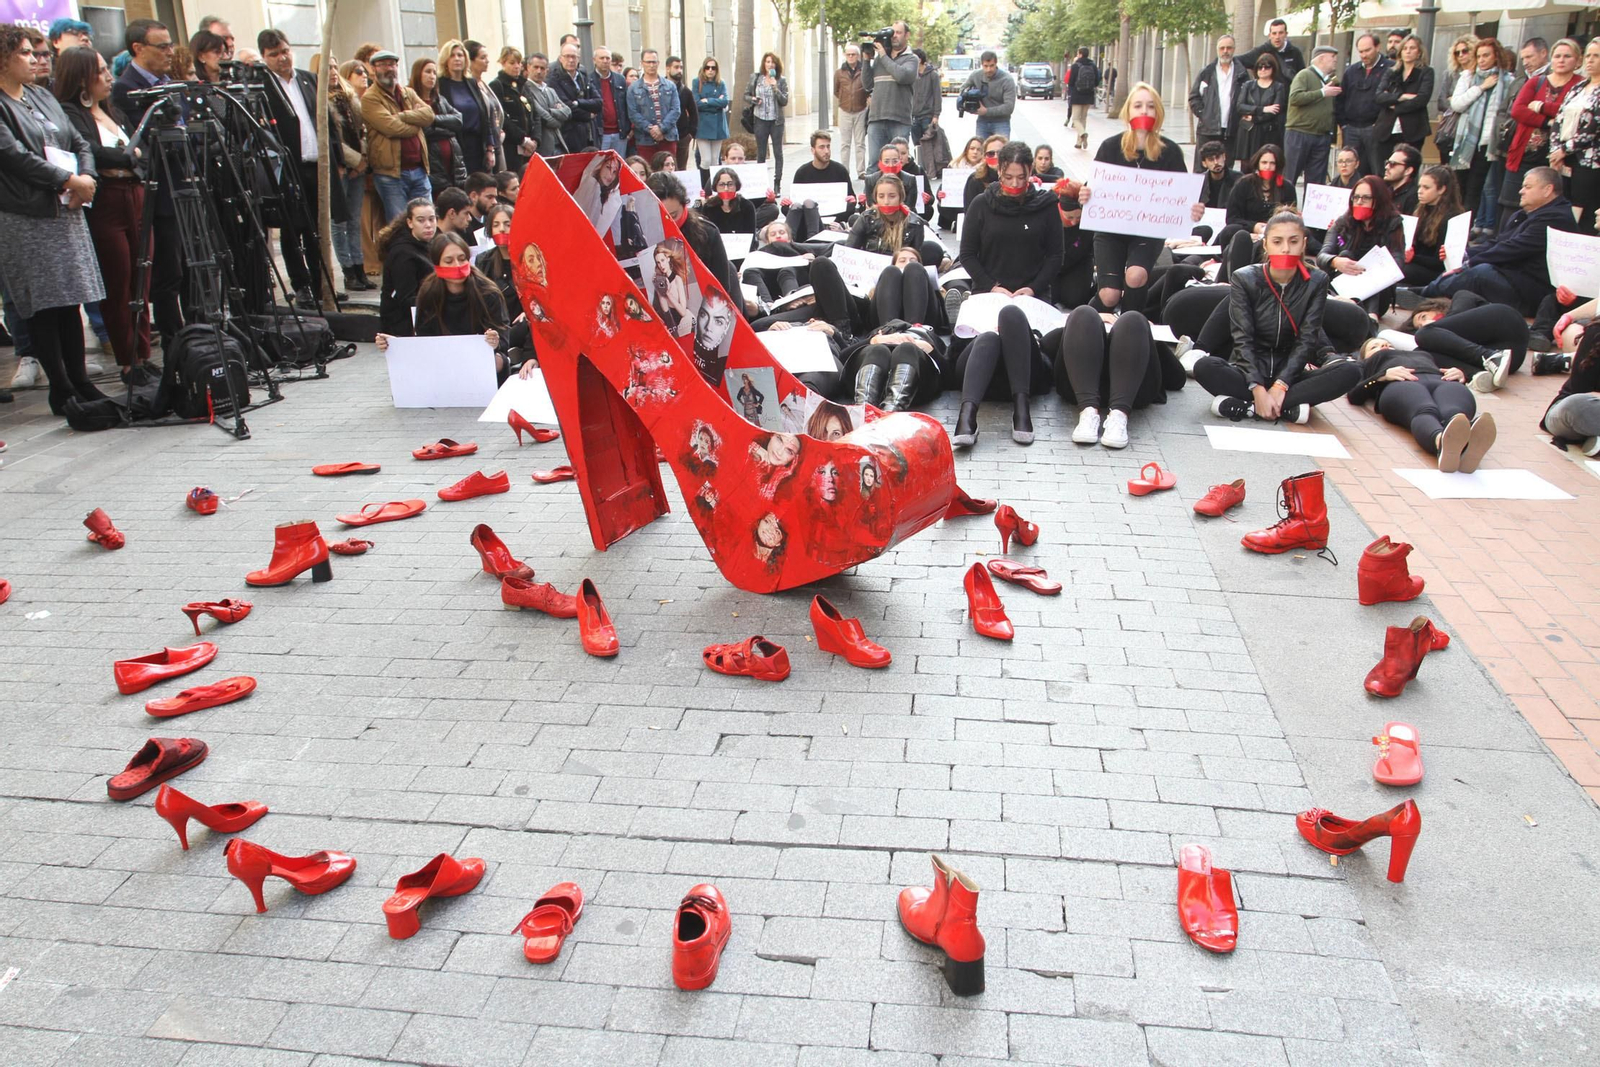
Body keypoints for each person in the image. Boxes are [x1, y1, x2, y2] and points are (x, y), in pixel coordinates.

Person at [0, 26, 105, 415]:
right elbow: (12, 156)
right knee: (44, 304)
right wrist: (67, 178)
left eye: (35, 52)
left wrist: (87, 178)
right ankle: (60, 388)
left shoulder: (41, 96)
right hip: (27, 215)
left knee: (69, 300)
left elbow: (78, 141)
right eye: (25, 53)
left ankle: (80, 380)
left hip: (67, 208)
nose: (35, 59)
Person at [1195, 211, 1362, 423]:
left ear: (1303, 244)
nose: (1285, 248)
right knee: (1205, 366)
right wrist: (1256, 387)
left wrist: (1281, 384)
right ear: (1266, 245)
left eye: (1293, 241)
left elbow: (1308, 338)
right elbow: (1242, 337)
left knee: (1349, 370)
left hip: (1291, 375)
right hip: (1248, 372)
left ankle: (1249, 407)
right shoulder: (1244, 278)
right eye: (1277, 241)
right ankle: (1284, 408)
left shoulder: (1317, 281)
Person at [952, 141, 1061, 448]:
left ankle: (1022, 409)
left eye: (1021, 178)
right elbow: (968, 254)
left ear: (1031, 174)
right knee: (989, 337)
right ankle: (966, 416)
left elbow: (1055, 257)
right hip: (989, 301)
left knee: (1012, 316)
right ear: (998, 171)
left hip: (1030, 312)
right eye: (1008, 177)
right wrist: (992, 285)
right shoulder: (982, 205)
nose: (1015, 184)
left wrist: (1034, 288)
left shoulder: (1045, 206)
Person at [53, 47, 151, 379]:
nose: (108, 76)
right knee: (118, 280)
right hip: (107, 202)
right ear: (81, 77)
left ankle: (144, 352)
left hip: (135, 194)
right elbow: (92, 152)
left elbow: (142, 150)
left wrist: (130, 157)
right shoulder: (68, 113)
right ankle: (128, 360)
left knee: (142, 277)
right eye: (99, 70)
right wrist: (127, 157)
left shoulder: (114, 110)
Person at [1078, 84, 1203, 313]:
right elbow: (1094, 189)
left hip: (1148, 230)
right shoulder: (1110, 147)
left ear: (1158, 113)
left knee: (1136, 275)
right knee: (1109, 295)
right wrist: (1085, 194)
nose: (1144, 111)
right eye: (1138, 106)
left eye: (1150, 106)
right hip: (1110, 229)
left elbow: (1182, 197)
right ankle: (1080, 326)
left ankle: (1130, 328)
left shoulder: (1170, 151)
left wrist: (1193, 210)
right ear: (1129, 112)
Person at [1408, 166, 1575, 314]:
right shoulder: (1523, 214)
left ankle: (1424, 294)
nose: (1520, 191)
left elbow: (1514, 248)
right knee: (1474, 272)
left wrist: (1468, 261)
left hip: (1534, 291)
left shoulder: (1556, 217)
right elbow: (1498, 242)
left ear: (1547, 190)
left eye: (1527, 187)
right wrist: (1463, 254)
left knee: (1481, 272)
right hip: (1513, 279)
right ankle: (1426, 293)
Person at [109, 18, 182, 355]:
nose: (170, 52)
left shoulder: (168, 82)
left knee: (185, 270)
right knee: (167, 274)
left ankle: (193, 334)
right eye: (162, 46)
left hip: (183, 186)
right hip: (159, 192)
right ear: (138, 48)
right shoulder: (126, 89)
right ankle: (174, 342)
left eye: (170, 44)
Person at [1347, 336, 1495, 470]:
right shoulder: (1366, 365)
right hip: (1401, 385)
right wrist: (1381, 377)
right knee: (1424, 409)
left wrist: (1461, 374)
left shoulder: (1421, 354)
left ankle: (1464, 443)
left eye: (1387, 344)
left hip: (1443, 381)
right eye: (1375, 347)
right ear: (1364, 357)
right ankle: (1441, 442)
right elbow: (1354, 395)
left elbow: (1461, 366)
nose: (1384, 346)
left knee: (1454, 413)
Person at [259, 29, 325, 306]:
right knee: (292, 228)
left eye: (285, 51)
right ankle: (301, 284)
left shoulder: (309, 80)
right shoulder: (263, 88)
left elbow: (325, 122)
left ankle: (321, 281)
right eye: (274, 55)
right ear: (264, 57)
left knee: (317, 228)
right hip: (287, 168)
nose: (282, 58)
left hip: (315, 165)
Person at [1499, 38, 1581, 229]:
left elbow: (1571, 113)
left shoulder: (1580, 85)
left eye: (1567, 56)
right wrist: (1547, 121)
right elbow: (1518, 110)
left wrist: (1542, 106)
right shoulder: (1537, 81)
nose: (1561, 60)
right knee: (1512, 204)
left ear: (1577, 60)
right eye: (1557, 56)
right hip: (1523, 154)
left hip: (1556, 158)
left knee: (1547, 208)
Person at [1448, 37, 1512, 228]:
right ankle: (1453, 226)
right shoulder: (1468, 77)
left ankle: (1466, 229)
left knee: (1476, 189)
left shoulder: (1506, 80)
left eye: (1486, 55)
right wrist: (1481, 87)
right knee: (1458, 187)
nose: (1482, 59)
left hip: (1487, 142)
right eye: (1479, 55)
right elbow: (1457, 104)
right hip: (1465, 140)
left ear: (1496, 56)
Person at [363, 49, 434, 221]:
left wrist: (403, 116)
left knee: (427, 221)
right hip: (391, 175)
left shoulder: (407, 92)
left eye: (393, 64)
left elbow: (429, 115)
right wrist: (416, 125)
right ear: (373, 69)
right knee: (400, 225)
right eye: (384, 65)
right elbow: (391, 127)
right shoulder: (370, 98)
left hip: (419, 170)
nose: (389, 69)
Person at [1319, 175, 1405, 313]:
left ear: (1378, 200)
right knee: (1345, 254)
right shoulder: (1343, 222)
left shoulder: (1393, 223)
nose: (1359, 202)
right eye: (1356, 197)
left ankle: (1372, 316)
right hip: (1344, 286)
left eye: (1365, 198)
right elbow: (1323, 255)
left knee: (1368, 269)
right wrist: (1335, 261)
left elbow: (1398, 260)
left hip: (1376, 290)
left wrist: (1371, 270)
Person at [1550, 38, 1600, 237]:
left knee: (1583, 208)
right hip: (1564, 157)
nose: (1590, 60)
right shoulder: (1578, 87)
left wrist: (1565, 148)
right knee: (1564, 203)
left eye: (1596, 56)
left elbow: (1594, 127)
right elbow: (1558, 119)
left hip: (1589, 160)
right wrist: (1555, 149)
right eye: (1588, 55)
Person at [376, 197, 435, 336]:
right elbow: (406, 298)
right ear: (410, 222)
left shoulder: (429, 242)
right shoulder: (403, 254)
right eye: (421, 220)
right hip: (402, 327)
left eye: (431, 219)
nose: (428, 225)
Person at [1285, 46, 1341, 190]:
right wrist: (1322, 92)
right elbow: (1295, 98)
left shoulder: (1328, 80)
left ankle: (1311, 212)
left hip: (1321, 136)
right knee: (1289, 178)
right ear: (1321, 58)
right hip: (1300, 133)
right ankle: (1284, 210)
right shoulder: (1304, 75)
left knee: (1316, 184)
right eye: (1332, 57)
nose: (1335, 60)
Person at [1376, 35, 1435, 170]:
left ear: (1419, 52)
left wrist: (1393, 105)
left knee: (1407, 170)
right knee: (1385, 170)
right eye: (1405, 48)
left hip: (1413, 130)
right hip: (1386, 130)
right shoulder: (1391, 72)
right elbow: (1378, 97)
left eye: (1412, 48)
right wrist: (1401, 97)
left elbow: (1421, 99)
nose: (1408, 51)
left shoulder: (1426, 72)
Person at [412, 56, 468, 193]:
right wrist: (447, 128)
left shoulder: (440, 100)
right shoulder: (413, 100)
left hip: (453, 162)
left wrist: (433, 119)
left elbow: (458, 120)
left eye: (434, 72)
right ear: (418, 74)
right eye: (427, 72)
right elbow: (424, 131)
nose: (432, 76)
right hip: (433, 162)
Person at [1225, 145, 1298, 249]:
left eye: (1272, 163)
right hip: (1247, 233)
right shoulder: (1244, 184)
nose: (1267, 167)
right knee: (1230, 230)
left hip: (1278, 236)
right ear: (1257, 164)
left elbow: (1291, 218)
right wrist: (1253, 227)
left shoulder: (1287, 187)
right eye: (1264, 163)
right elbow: (1232, 218)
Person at [1338, 34, 1390, 177]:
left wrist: (1381, 124)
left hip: (1375, 127)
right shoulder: (1351, 71)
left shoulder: (1389, 69)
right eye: (1360, 51)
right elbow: (1341, 98)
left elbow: (1390, 99)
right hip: (1351, 128)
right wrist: (1343, 124)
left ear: (1378, 47)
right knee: (1351, 171)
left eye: (1367, 50)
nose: (1364, 55)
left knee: (1377, 169)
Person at [1542, 323, 1600, 452]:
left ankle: (1595, 437)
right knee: (1576, 405)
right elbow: (1580, 387)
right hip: (1574, 411)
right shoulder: (1596, 333)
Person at [438, 39, 493, 173]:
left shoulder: (471, 83)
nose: (457, 59)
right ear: (445, 60)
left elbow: (484, 117)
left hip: (477, 145)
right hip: (456, 144)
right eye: (452, 55)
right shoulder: (440, 85)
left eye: (460, 55)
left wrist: (490, 148)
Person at [786, 130, 854, 238]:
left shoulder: (840, 170)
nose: (826, 151)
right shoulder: (802, 173)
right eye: (822, 147)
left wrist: (852, 202)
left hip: (833, 222)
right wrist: (786, 205)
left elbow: (851, 202)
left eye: (828, 146)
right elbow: (794, 206)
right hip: (807, 222)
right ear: (813, 150)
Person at [1402, 165, 1463, 286]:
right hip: (1417, 263)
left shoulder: (1450, 217)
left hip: (1436, 272)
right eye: (1420, 186)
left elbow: (1440, 262)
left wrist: (1414, 258)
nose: (1420, 191)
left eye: (1426, 187)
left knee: (1402, 271)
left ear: (1441, 189)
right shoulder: (1420, 210)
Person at [866, 22, 915, 168]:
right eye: (892, 33)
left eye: (899, 33)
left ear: (907, 35)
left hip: (899, 119)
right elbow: (868, 84)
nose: (894, 36)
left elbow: (902, 76)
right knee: (874, 163)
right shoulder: (880, 59)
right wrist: (866, 60)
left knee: (899, 164)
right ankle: (872, 191)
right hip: (877, 117)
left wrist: (883, 56)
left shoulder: (911, 59)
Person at [743, 52, 787, 191]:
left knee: (778, 152)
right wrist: (753, 100)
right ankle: (760, 182)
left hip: (776, 121)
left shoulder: (781, 80)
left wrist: (775, 87)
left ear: (776, 65)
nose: (770, 64)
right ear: (764, 63)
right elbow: (746, 95)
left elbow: (784, 101)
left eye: (773, 62)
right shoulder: (756, 78)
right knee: (761, 153)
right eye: (767, 62)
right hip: (760, 118)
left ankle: (777, 183)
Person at [490, 47, 538, 167]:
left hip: (530, 146)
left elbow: (535, 114)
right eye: (512, 63)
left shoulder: (524, 85)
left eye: (519, 63)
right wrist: (522, 140)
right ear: (503, 63)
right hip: (511, 146)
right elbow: (502, 118)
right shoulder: (497, 85)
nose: (517, 66)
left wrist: (536, 140)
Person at [1236, 53, 1287, 165]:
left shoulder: (1278, 87)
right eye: (1260, 66)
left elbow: (1274, 111)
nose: (1263, 69)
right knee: (1246, 166)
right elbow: (1240, 106)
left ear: (1273, 68)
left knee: (1265, 163)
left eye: (1267, 66)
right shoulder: (1248, 85)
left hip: (1267, 132)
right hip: (1248, 132)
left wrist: (1253, 117)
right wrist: (1262, 109)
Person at [627, 49, 679, 159]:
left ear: (658, 63)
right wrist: (651, 129)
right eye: (648, 62)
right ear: (642, 63)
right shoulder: (633, 88)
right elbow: (633, 114)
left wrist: (661, 128)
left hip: (668, 137)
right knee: (649, 172)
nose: (651, 65)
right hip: (645, 140)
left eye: (654, 62)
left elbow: (675, 110)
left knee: (669, 172)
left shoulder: (670, 86)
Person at [962, 50, 1016, 140]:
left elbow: (1009, 107)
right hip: (982, 121)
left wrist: (986, 111)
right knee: (981, 151)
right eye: (985, 66)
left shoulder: (1007, 80)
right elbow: (962, 90)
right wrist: (971, 99)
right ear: (981, 65)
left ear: (996, 63)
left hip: (1001, 122)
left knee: (1002, 151)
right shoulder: (976, 76)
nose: (989, 69)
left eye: (992, 66)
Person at [692, 57, 729, 180]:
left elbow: (724, 102)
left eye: (713, 68)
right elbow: (696, 103)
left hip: (718, 124)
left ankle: (716, 187)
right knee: (706, 160)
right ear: (703, 68)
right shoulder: (697, 82)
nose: (710, 70)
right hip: (703, 125)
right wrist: (716, 102)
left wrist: (707, 100)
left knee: (715, 160)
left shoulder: (721, 83)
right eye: (707, 67)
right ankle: (705, 188)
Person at [1241, 18, 1305, 86]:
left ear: (1286, 34)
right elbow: (1239, 61)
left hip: (1288, 95)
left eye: (1280, 33)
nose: (1277, 37)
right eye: (1274, 33)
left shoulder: (1295, 52)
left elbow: (1302, 76)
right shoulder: (1261, 51)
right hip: (1268, 94)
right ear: (1269, 35)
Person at [591, 45, 629, 153]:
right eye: (601, 58)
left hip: (620, 133)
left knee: (619, 165)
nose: (605, 61)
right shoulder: (589, 80)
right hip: (601, 134)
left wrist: (628, 128)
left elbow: (626, 105)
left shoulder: (620, 79)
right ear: (594, 60)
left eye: (607, 58)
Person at [665, 55, 699, 171]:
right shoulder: (660, 88)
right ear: (668, 68)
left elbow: (694, 113)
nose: (679, 70)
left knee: (681, 169)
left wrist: (690, 134)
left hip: (682, 136)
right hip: (664, 136)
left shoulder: (686, 91)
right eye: (676, 67)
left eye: (681, 67)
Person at [704, 166, 757, 235]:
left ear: (736, 186)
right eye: (721, 185)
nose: (726, 188)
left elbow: (751, 235)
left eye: (730, 184)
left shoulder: (747, 206)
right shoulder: (709, 207)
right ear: (715, 187)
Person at [1066, 47, 1100, 151]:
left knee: (1075, 119)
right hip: (1088, 95)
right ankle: (1079, 142)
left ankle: (1082, 134)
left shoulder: (1076, 65)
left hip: (1077, 95)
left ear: (1080, 54)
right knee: (1083, 118)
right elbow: (1098, 80)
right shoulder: (1093, 65)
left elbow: (1071, 82)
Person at [1197, 140, 1239, 210]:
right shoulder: (1199, 182)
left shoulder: (1239, 180)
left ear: (1224, 157)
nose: (1216, 162)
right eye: (1211, 159)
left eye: (1218, 157)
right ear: (1204, 163)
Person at [1384, 142, 1421, 213]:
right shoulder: (1385, 192)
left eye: (1392, 164)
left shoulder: (1414, 197)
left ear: (1408, 170)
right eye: (1387, 163)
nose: (1387, 167)